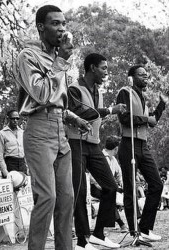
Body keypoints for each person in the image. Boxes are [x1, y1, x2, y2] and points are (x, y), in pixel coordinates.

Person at [13, 5, 91, 250]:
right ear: (40, 27)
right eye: (55, 24)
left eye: (64, 24)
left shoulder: (57, 59)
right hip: (38, 132)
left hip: (60, 131)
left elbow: (57, 102)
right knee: (47, 197)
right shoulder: (28, 56)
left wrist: (73, 118)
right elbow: (42, 93)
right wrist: (62, 62)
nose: (62, 29)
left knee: (66, 199)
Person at [67, 53, 126, 250]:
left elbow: (95, 116)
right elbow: (81, 114)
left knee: (110, 187)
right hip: (75, 143)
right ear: (92, 68)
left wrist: (107, 111)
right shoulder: (74, 88)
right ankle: (82, 242)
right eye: (104, 68)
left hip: (94, 144)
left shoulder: (98, 92)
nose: (106, 72)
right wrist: (110, 110)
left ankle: (98, 234)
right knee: (80, 191)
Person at [116, 65, 167, 241]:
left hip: (142, 146)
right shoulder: (125, 92)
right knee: (130, 189)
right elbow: (124, 118)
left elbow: (151, 121)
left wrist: (162, 104)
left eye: (146, 75)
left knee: (157, 184)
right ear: (131, 77)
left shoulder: (142, 97)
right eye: (141, 75)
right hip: (128, 144)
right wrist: (146, 119)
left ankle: (145, 229)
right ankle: (134, 232)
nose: (145, 77)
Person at [90, 135, 128, 233]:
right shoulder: (100, 157)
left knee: (114, 192)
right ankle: (121, 224)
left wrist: (122, 183)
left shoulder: (113, 159)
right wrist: (103, 186)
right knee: (109, 196)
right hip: (95, 187)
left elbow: (119, 173)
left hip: (108, 186)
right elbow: (92, 176)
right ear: (116, 148)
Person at [0, 110, 27, 177]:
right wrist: (5, 172)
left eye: (17, 118)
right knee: (12, 185)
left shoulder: (22, 132)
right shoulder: (1, 133)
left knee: (24, 186)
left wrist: (27, 167)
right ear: (8, 118)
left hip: (22, 164)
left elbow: (26, 151)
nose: (15, 120)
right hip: (10, 164)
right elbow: (0, 156)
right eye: (13, 118)